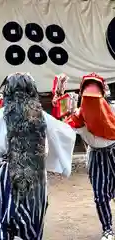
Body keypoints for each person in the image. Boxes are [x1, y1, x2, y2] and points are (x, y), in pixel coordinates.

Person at [0, 72, 76, 240]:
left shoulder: (1, 115)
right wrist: (67, 116)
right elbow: (64, 134)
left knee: (3, 221)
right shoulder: (41, 116)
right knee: (32, 223)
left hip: (8, 172)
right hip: (36, 173)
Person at [65, 73, 115, 240]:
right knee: (100, 195)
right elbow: (65, 129)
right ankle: (107, 229)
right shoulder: (79, 115)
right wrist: (63, 111)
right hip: (96, 156)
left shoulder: (113, 109)